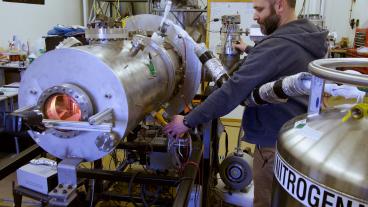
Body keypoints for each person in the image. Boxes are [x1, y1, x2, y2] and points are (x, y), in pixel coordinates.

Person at [164, 0, 328, 206]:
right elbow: (281, 61)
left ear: (279, 5)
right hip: (301, 142)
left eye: (259, 9)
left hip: (273, 147)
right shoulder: (308, 36)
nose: (254, 16)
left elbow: (232, 91)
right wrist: (251, 50)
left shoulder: (275, 47)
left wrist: (187, 121)